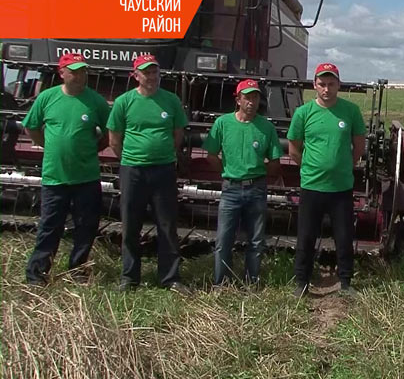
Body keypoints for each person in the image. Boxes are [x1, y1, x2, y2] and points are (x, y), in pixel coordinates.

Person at [22, 53, 110, 285]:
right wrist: (49, 145)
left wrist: (93, 148)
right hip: (55, 177)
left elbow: (109, 133)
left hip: (86, 176)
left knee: (86, 227)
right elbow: (31, 127)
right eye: (74, 71)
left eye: (83, 71)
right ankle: (37, 274)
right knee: (50, 226)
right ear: (62, 73)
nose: (80, 75)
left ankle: (78, 270)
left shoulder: (96, 101)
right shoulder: (47, 98)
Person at [108, 54, 189, 293]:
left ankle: (170, 278)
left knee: (167, 225)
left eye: (155, 72)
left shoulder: (171, 101)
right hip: (133, 170)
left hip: (163, 170)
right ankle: (129, 277)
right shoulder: (124, 102)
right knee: (131, 225)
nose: (152, 76)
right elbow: (114, 139)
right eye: (146, 72)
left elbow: (178, 134)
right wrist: (133, 158)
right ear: (136, 76)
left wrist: (162, 154)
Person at [287, 63, 366, 297]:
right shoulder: (303, 113)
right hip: (312, 186)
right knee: (306, 237)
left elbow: (359, 145)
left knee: (343, 237)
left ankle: (345, 283)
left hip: (341, 187)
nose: (327, 89)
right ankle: (301, 282)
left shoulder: (350, 111)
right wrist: (311, 168)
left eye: (331, 84)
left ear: (339, 85)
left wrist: (344, 165)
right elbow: (293, 149)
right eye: (322, 84)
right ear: (314, 85)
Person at [203, 79, 282, 285]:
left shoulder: (266, 127)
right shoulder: (222, 123)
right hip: (231, 188)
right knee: (223, 240)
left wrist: (255, 173)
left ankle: (251, 283)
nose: (251, 102)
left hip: (256, 188)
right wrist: (229, 172)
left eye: (255, 97)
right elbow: (211, 154)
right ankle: (221, 283)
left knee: (256, 240)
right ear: (238, 100)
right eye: (247, 97)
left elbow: (275, 162)